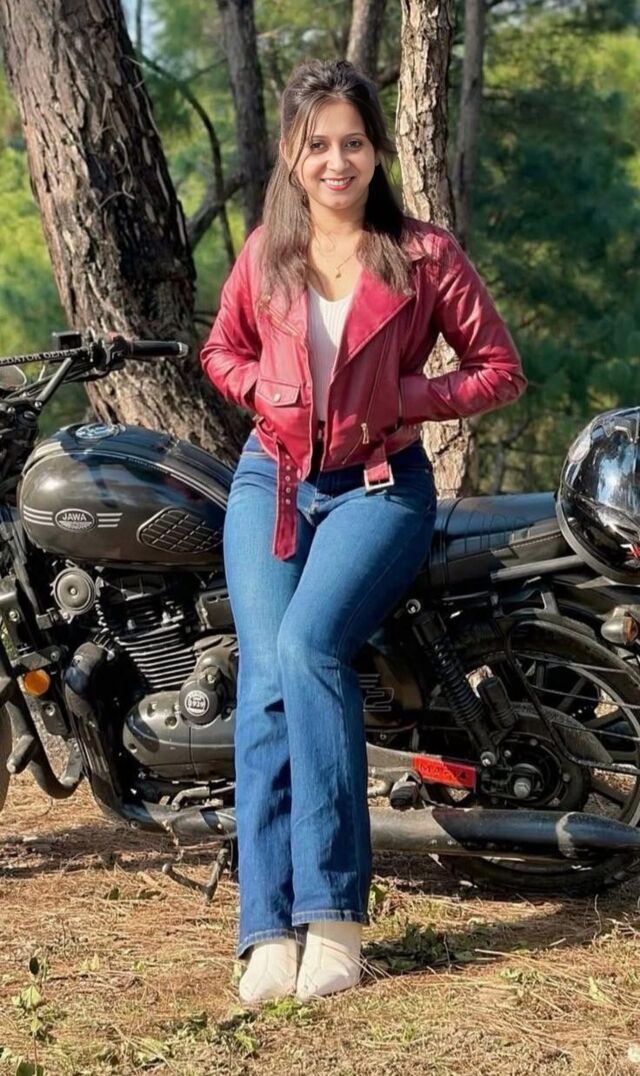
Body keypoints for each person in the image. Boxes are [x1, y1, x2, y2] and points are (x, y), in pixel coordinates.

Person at [200, 57, 527, 1004]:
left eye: (352, 143)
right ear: (291, 155)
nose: (336, 162)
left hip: (380, 487)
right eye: (318, 145)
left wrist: (404, 396)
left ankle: (334, 917)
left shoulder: (423, 255)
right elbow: (221, 349)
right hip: (270, 480)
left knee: (308, 646)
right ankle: (267, 928)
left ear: (377, 151)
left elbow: (498, 369)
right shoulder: (267, 252)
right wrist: (259, 387)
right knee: (266, 677)